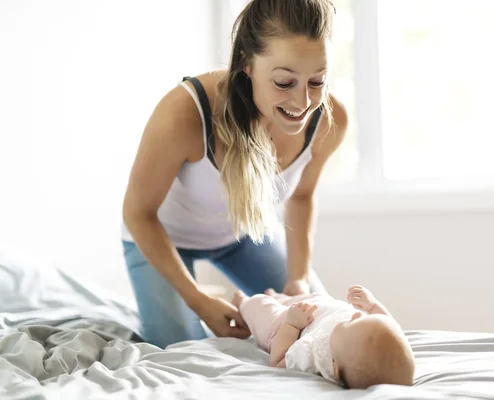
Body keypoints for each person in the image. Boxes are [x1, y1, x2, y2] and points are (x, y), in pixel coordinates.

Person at [121, 0, 347, 349]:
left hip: (243, 234)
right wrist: (198, 301)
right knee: (183, 352)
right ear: (246, 64)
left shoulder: (329, 120)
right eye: (285, 82)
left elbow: (301, 196)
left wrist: (298, 279)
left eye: (317, 81)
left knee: (324, 329)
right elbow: (138, 214)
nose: (303, 102)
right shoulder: (185, 113)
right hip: (163, 238)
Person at [232, 285, 415, 389]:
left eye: (352, 323)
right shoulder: (360, 340)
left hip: (283, 323)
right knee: (309, 294)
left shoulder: (315, 355)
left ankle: (242, 302)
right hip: (320, 304)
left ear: (334, 367)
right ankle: (279, 296)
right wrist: (373, 306)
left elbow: (278, 360)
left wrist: (292, 324)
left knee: (260, 306)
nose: (358, 315)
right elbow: (386, 322)